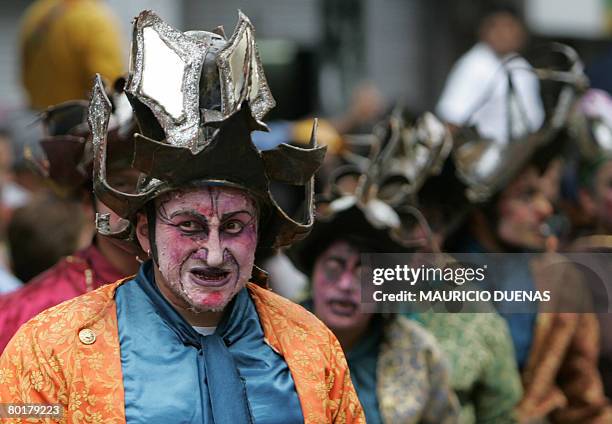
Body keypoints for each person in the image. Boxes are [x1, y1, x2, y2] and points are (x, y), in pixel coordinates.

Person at [0, 11, 365, 423]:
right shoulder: (48, 349)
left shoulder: (311, 345)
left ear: (258, 229)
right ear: (144, 231)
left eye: (233, 226)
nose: (213, 254)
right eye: (188, 225)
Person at [292, 116, 459, 424]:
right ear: (313, 270)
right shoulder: (271, 343)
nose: (345, 285)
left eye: (364, 274)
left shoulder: (418, 353)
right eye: (334, 266)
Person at [0, 92, 140, 353]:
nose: (140, 200)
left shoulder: (210, 296)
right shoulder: (23, 314)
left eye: (153, 184)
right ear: (88, 203)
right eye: (121, 184)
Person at [436, 4, 544, 146]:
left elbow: (533, 122)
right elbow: (452, 119)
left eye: (509, 27)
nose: (503, 34)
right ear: (483, 31)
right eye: (496, 27)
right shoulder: (474, 65)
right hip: (481, 158)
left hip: (518, 155)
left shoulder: (521, 66)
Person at [19, 0, 124, 110]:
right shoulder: (94, 19)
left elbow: (25, 72)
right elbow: (107, 83)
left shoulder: (36, 13)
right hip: (78, 120)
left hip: (40, 117)